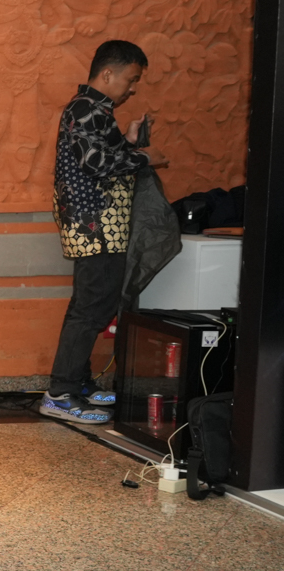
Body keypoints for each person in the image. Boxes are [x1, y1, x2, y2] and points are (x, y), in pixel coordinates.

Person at [40, 41, 168, 425]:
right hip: (95, 224)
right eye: (131, 79)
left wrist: (127, 140)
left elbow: (102, 156)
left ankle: (75, 384)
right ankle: (61, 393)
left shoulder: (95, 110)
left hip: (99, 223)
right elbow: (96, 164)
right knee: (92, 307)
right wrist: (144, 156)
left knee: (90, 304)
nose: (133, 88)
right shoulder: (85, 109)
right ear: (108, 74)